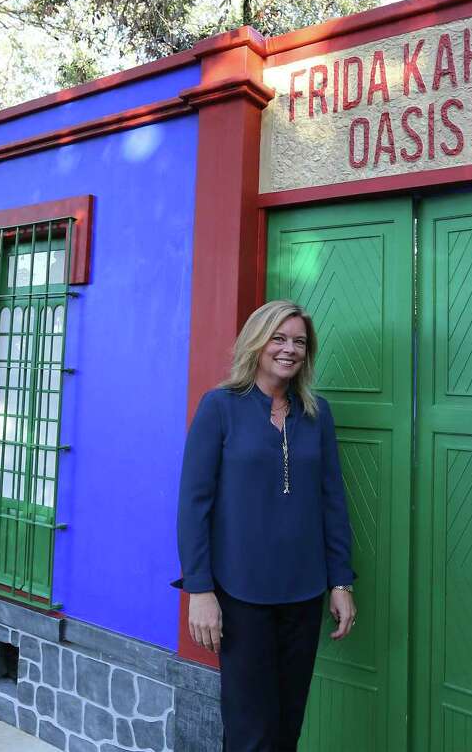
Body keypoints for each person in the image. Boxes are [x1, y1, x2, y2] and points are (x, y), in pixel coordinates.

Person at [177, 300, 356, 752]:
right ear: (256, 342)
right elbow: (194, 504)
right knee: (249, 731)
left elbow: (332, 502)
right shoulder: (220, 407)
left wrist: (340, 581)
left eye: (299, 341)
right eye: (279, 338)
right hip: (242, 596)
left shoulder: (317, 414)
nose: (289, 349)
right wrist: (200, 590)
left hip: (303, 593)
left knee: (287, 726)